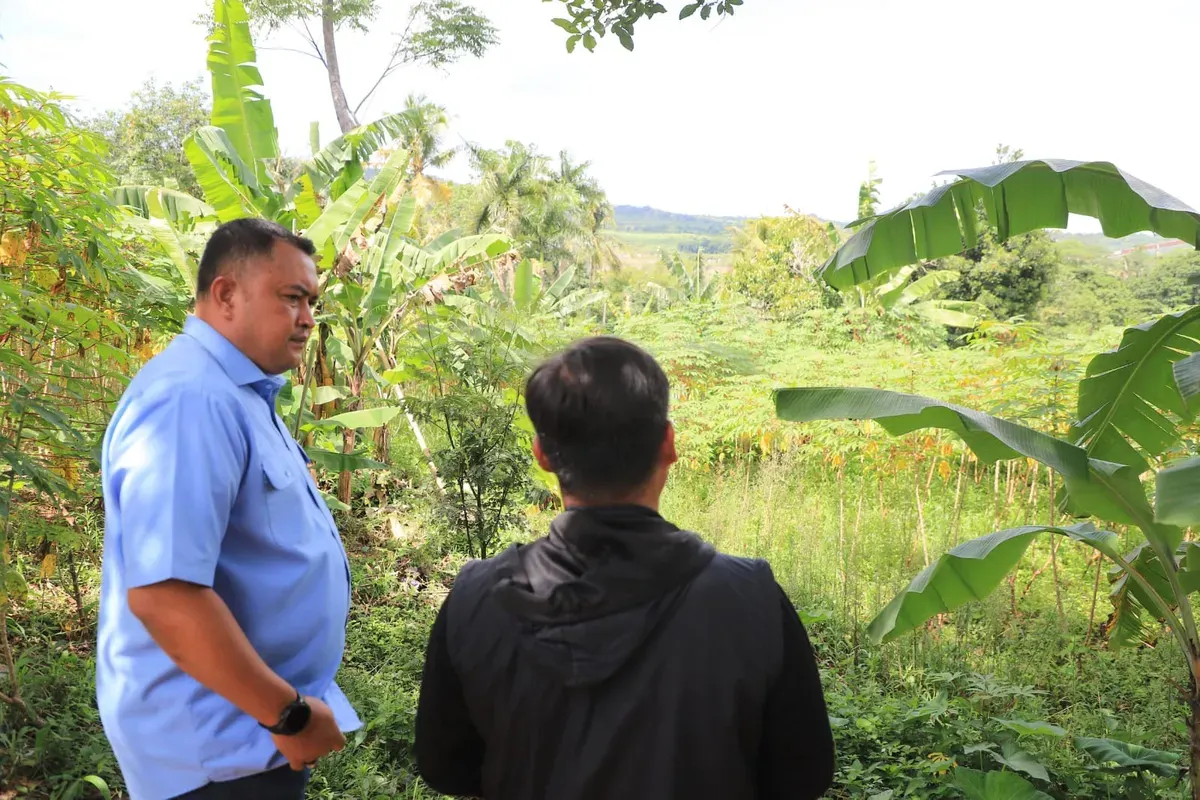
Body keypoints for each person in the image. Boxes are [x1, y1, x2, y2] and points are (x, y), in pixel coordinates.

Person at [414, 336, 835, 799]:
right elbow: (802, 777)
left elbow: (446, 768)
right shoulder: (749, 599)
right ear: (669, 444)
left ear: (542, 454)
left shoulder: (476, 597)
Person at [96, 218, 360, 800]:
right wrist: (287, 715)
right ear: (225, 294)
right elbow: (165, 595)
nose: (308, 319)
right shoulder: (191, 399)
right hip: (217, 754)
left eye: (311, 302)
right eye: (292, 298)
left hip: (246, 736)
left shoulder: (236, 392)